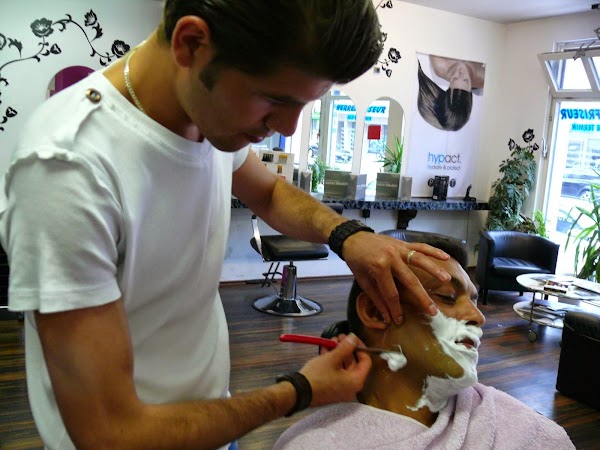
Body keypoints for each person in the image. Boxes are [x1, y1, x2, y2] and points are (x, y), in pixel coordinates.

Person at [0, 1, 453, 449]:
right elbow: (111, 434)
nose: (288, 129)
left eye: (306, 104)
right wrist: (299, 391)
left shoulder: (207, 115)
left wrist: (347, 235)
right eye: (276, 99)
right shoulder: (66, 169)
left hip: (213, 418)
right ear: (191, 43)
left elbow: (269, 192)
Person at [274, 235, 574, 449]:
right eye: (447, 297)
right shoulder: (312, 443)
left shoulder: (523, 431)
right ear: (375, 312)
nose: (478, 316)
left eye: (473, 300)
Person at [417, 54, 485, 132]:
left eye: (455, 79)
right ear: (470, 93)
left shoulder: (440, 64)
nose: (461, 71)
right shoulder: (483, 77)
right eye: (466, 81)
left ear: (449, 88)